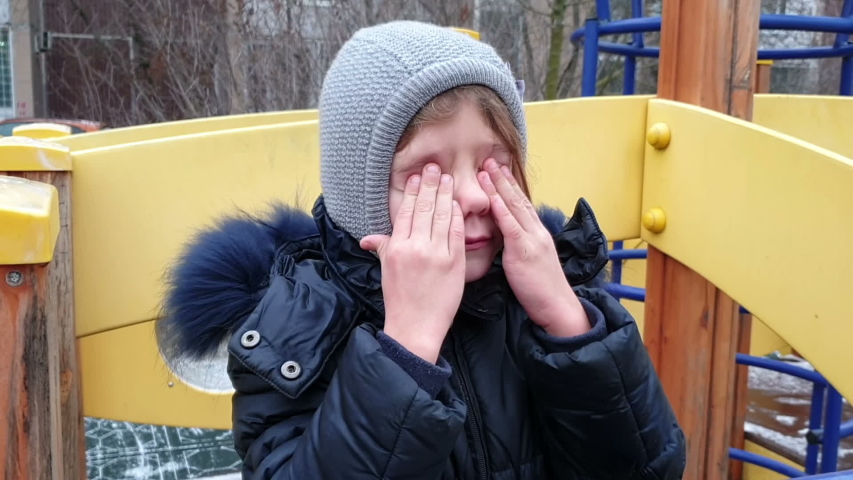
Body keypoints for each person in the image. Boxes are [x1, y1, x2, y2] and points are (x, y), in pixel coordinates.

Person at [157, 20, 686, 479]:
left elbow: (649, 469)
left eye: (493, 164)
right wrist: (407, 347)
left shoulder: (550, 290)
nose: (477, 194)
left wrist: (568, 323)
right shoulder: (292, 330)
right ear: (359, 192)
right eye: (426, 177)